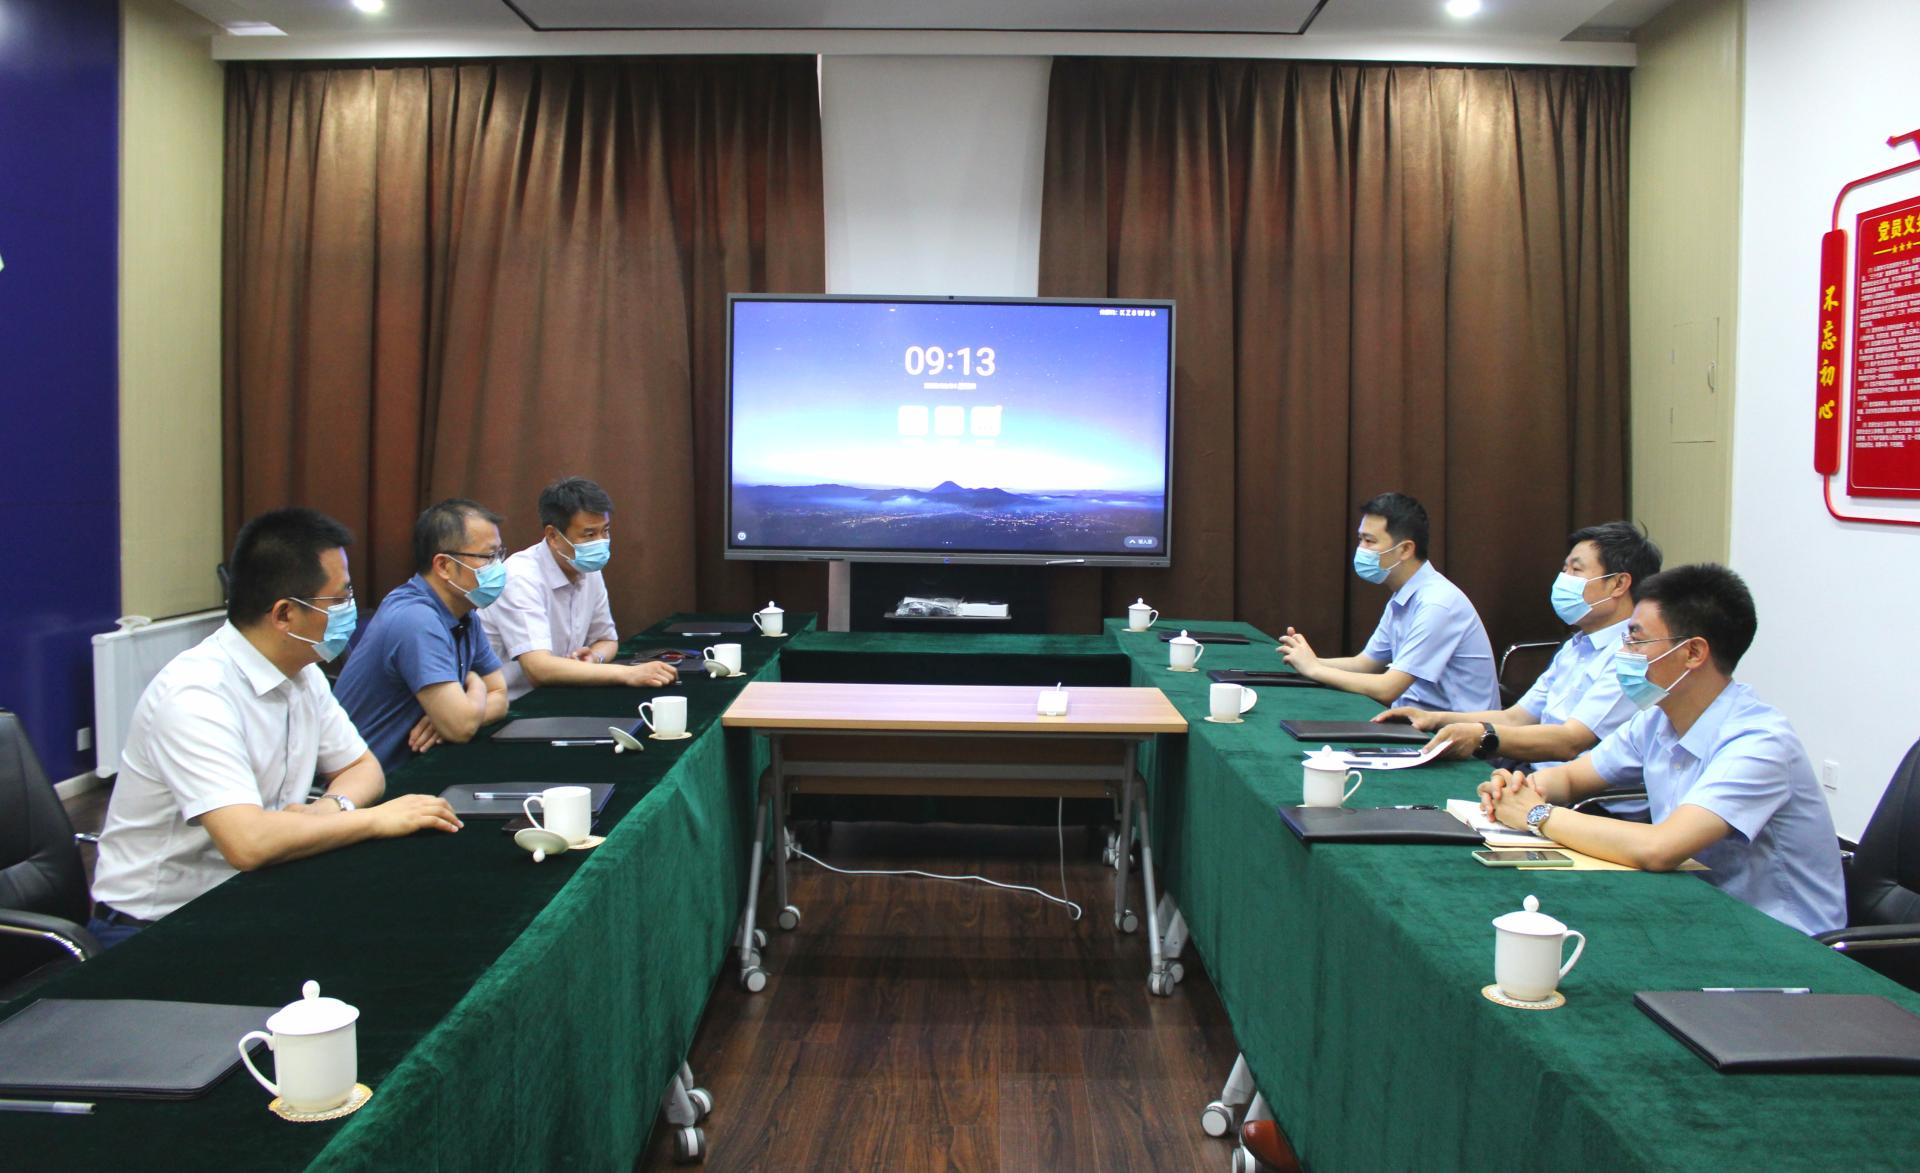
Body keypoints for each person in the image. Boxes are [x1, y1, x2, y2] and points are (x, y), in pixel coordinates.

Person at [88, 509, 462, 945]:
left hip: (253, 893)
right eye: (339, 598)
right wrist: (375, 820)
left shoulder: (302, 672)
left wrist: (330, 808)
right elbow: (249, 843)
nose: (350, 609)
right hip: (154, 928)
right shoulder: (196, 695)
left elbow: (363, 768)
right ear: (285, 614)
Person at [1478, 564, 1844, 936]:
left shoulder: (1760, 742)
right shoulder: (1657, 717)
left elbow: (1661, 847)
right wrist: (1519, 788)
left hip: (1781, 937)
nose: (1623, 653)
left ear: (1693, 652)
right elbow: (1572, 778)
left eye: (1635, 640)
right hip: (1694, 908)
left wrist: (1536, 813)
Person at [1378, 521, 1662, 765]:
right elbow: (1516, 717)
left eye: (1576, 570)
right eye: (1564, 569)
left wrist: (1482, 735)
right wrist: (1433, 718)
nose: (1563, 579)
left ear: (1618, 584)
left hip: (1580, 796)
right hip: (1533, 772)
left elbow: (1569, 742)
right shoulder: (1576, 646)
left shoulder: (1631, 656)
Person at [334, 499, 510, 774]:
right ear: (444, 566)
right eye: (488, 557)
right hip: (376, 779)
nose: (498, 566)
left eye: (500, 554)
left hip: (421, 763)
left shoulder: (465, 613)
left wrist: (459, 714)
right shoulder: (416, 619)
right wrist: (474, 684)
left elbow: (500, 695)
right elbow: (461, 727)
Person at [1278, 492, 1497, 711]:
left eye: (1369, 541)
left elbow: (1388, 688)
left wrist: (1315, 669)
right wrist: (1308, 660)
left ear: (1405, 549)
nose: (1361, 549)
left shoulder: (1437, 604)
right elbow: (1365, 664)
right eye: (1360, 539)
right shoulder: (1404, 595)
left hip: (1453, 728)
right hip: (1414, 721)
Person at [484, 475, 676, 701]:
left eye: (605, 531)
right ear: (553, 536)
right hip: (512, 705)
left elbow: (607, 640)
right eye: (589, 534)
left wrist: (595, 658)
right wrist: (628, 673)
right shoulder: (520, 577)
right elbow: (538, 669)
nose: (600, 542)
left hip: (562, 695)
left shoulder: (586, 566)